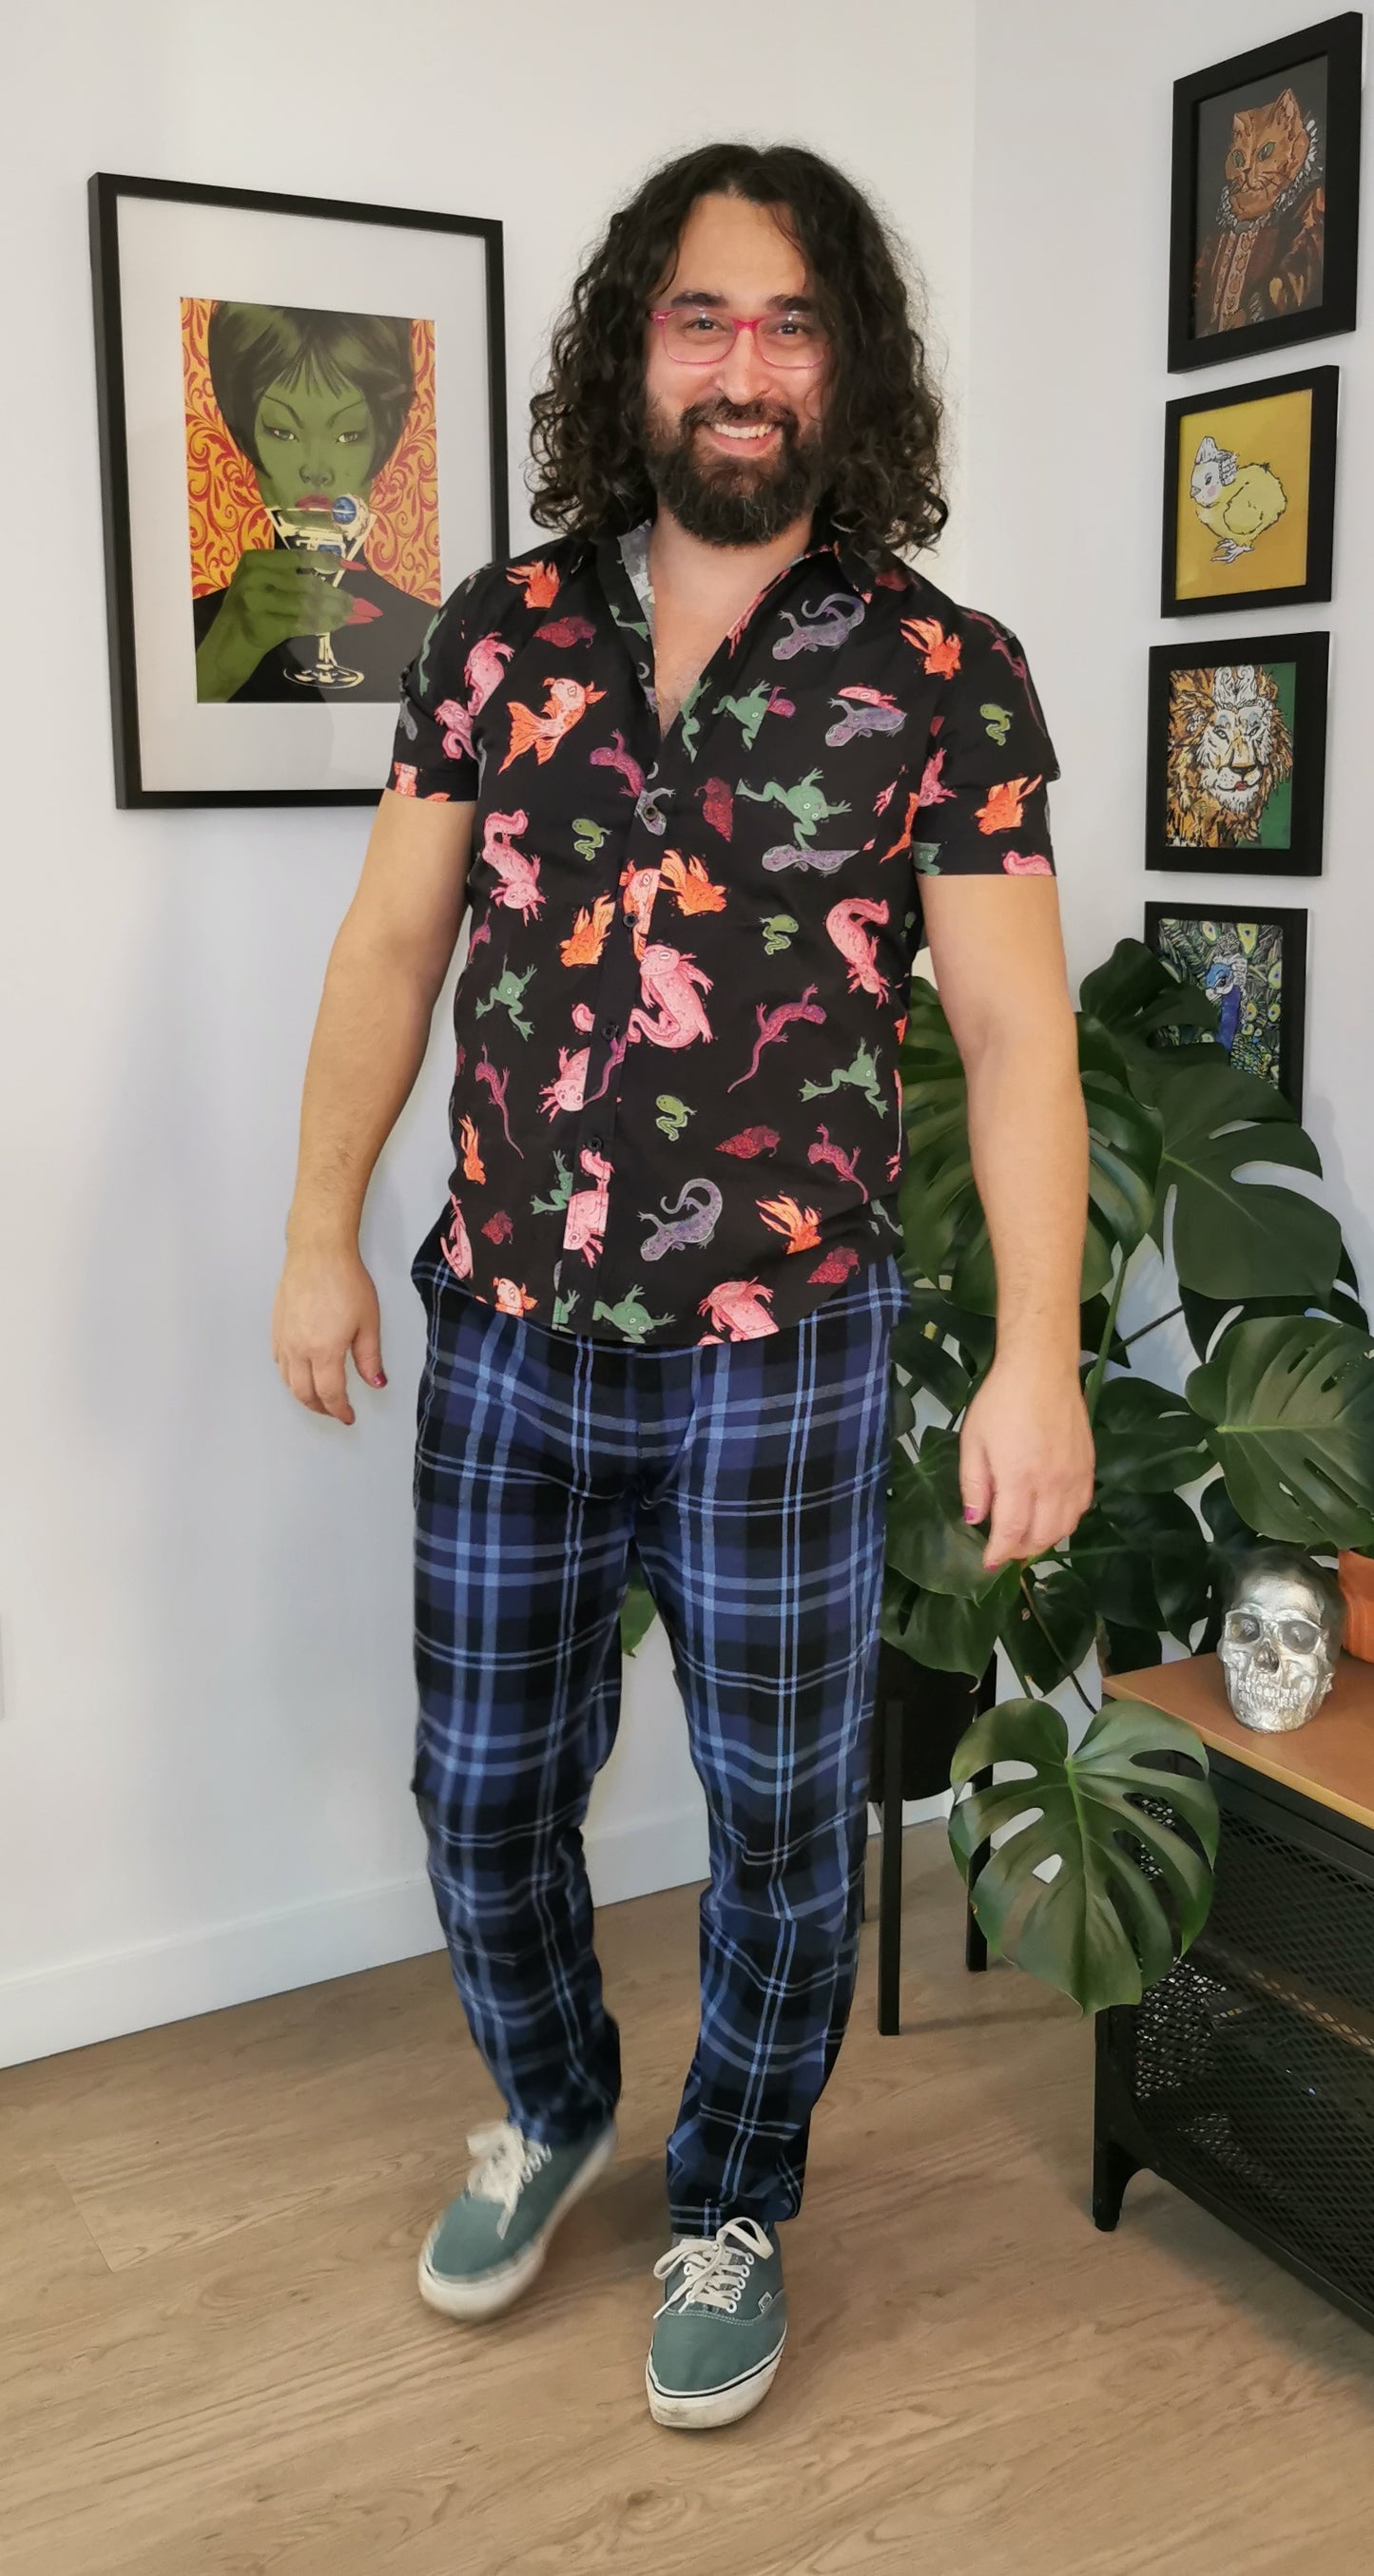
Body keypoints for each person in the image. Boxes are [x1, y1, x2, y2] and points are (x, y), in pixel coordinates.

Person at [272, 141, 1093, 2433]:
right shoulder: (496, 634)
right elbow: (390, 949)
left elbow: (1016, 1039)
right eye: (701, 317)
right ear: (633, 349)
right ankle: (552, 2104)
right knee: (477, 1789)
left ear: (849, 369)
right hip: (507, 1328)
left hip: (783, 1349)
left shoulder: (943, 674)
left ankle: (728, 2194)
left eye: (790, 323)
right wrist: (317, 1229)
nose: (744, 364)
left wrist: (1037, 1355)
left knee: (780, 1824)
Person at [194, 303, 434, 703]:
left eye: (349, 435)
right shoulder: (192, 633)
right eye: (282, 431)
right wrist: (223, 658)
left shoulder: (433, 632)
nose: (316, 470)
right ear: (246, 437)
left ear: (383, 439)